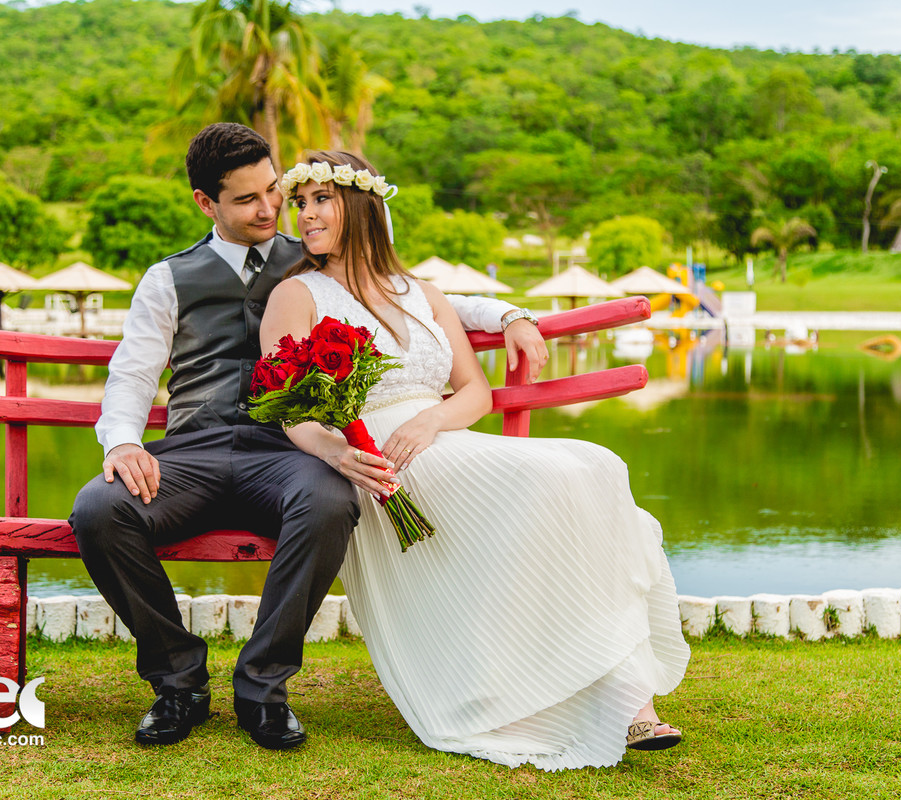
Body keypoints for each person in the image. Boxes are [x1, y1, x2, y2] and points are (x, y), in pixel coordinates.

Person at [68, 124, 548, 750]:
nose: (270, 209)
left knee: (329, 501)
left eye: (274, 191)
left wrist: (511, 314)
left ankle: (262, 685)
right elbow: (132, 373)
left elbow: (421, 298)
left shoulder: (315, 256)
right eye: (246, 200)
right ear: (205, 203)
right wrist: (124, 444)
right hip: (195, 451)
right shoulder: (168, 279)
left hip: (290, 451)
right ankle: (178, 680)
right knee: (99, 510)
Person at [261, 150, 690, 771]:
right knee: (555, 480)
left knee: (596, 465)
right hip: (375, 459)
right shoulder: (296, 294)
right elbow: (289, 406)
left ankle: (626, 699)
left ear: (360, 205)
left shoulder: (421, 292)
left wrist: (434, 415)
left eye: (321, 199)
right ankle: (592, 694)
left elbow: (475, 392)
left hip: (439, 436)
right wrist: (343, 453)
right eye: (299, 203)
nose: (305, 215)